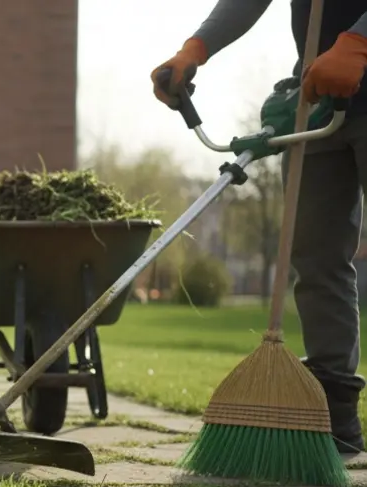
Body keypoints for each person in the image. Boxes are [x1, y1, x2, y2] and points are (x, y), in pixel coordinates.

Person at [151, 0, 367, 453]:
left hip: (351, 65)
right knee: (315, 255)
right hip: (319, 97)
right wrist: (196, 47)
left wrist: (359, 40)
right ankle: (334, 415)